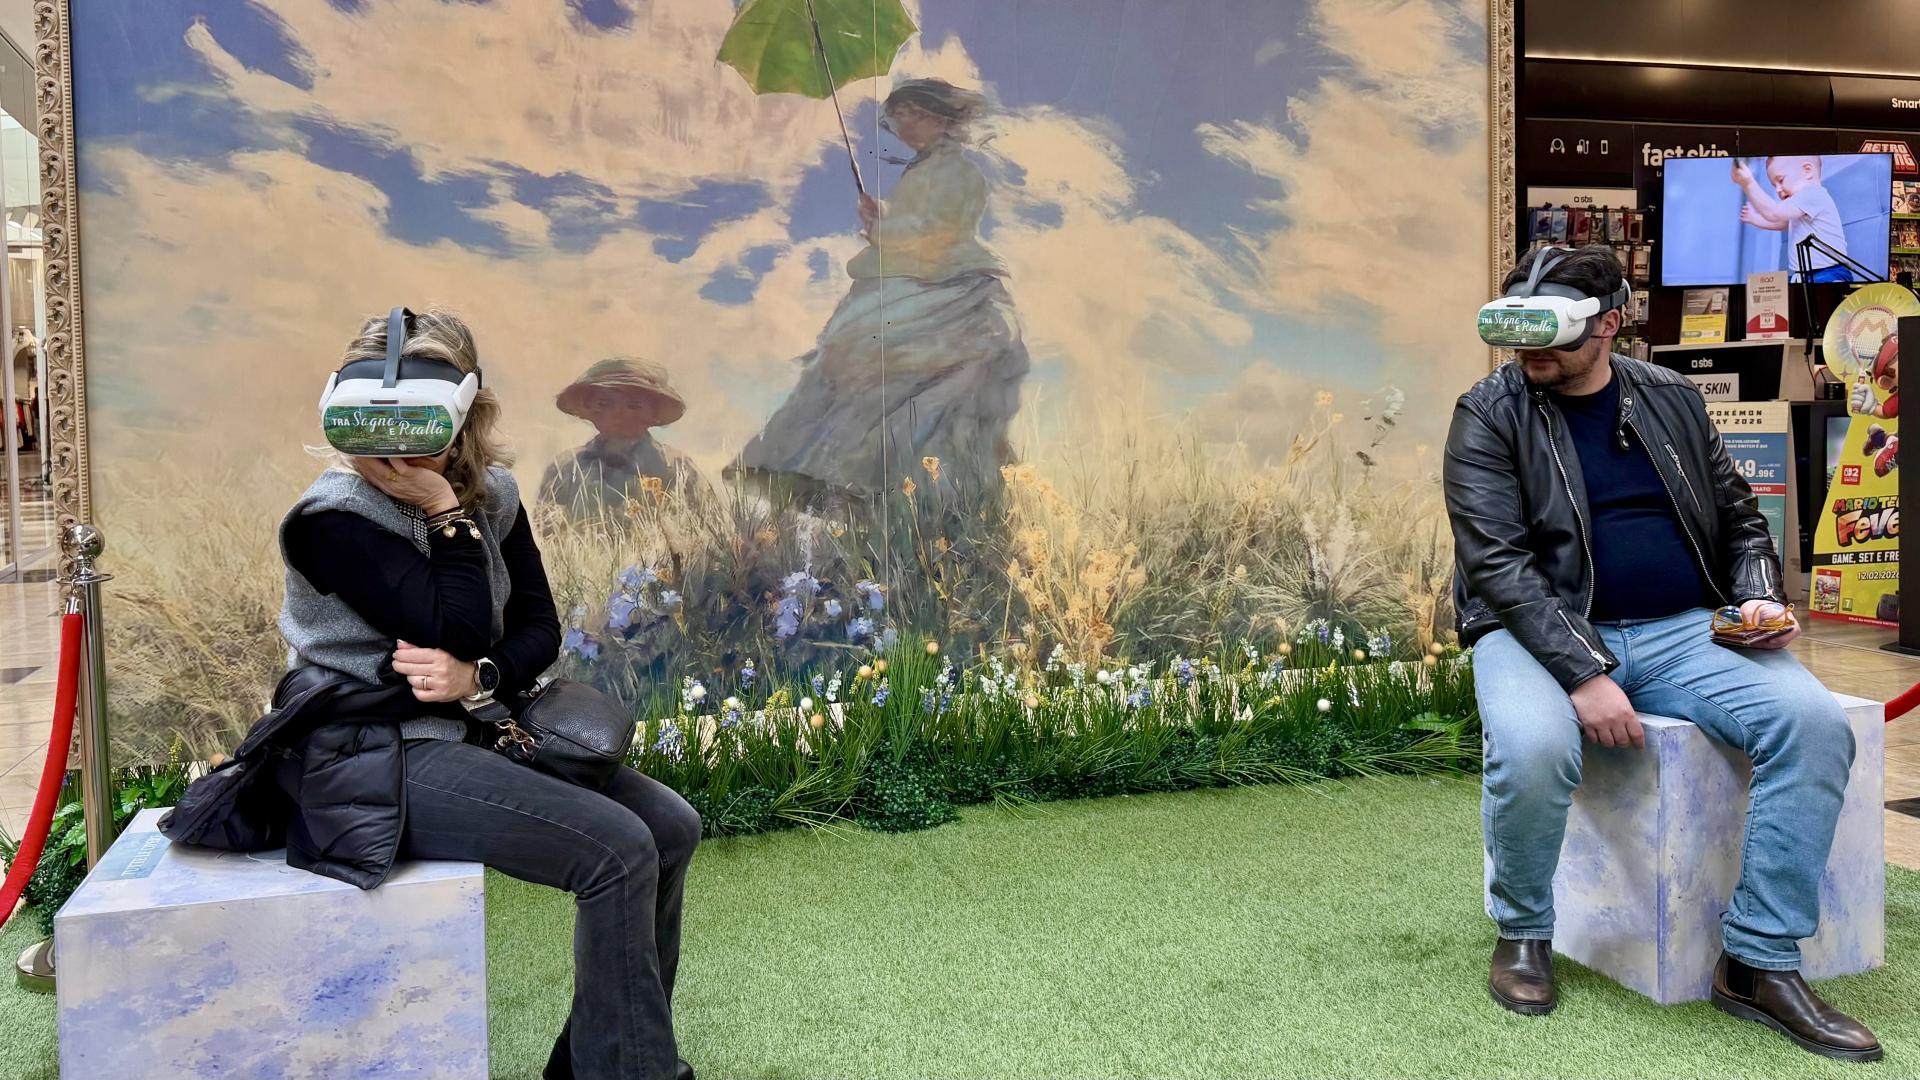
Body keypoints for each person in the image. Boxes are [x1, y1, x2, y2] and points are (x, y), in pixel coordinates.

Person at [197, 310, 701, 1080]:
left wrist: (482, 677)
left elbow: (538, 626)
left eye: (417, 418)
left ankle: (598, 1061)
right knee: (616, 849)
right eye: (373, 418)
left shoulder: (496, 493)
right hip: (371, 749)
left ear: (463, 412)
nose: (394, 444)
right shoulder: (327, 519)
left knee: (669, 826)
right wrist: (442, 509)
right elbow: (454, 625)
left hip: (474, 724)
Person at [1446, 246, 1882, 1061]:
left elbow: (1739, 515)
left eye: (1553, 335)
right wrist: (1583, 671)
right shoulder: (1488, 413)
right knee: (1535, 746)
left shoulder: (1671, 398)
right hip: (1533, 629)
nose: (1531, 354)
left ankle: (1757, 961)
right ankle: (1524, 931)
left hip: (1681, 627)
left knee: (1814, 726)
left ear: (1610, 325)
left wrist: (1757, 593)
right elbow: (1497, 565)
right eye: (1518, 334)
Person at [728, 78, 1030, 506]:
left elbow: (937, 232)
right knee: (856, 372)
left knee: (930, 392)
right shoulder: (924, 170)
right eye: (900, 115)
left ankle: (914, 493)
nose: (905, 124)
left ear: (943, 118)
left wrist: (883, 230)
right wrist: (881, 217)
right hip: (909, 279)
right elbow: (915, 221)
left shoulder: (960, 172)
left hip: (948, 286)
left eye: (915, 114)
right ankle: (841, 480)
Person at [540, 356, 716, 528]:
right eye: (604, 404)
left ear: (654, 413)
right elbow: (544, 527)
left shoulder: (676, 466)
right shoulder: (566, 467)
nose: (619, 413)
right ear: (588, 409)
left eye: (634, 406)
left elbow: (709, 524)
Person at [1733, 155, 1852, 283]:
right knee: (1767, 286)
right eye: (1774, 185)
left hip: (1829, 272)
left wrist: (1748, 183)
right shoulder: (1802, 205)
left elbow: (1775, 213)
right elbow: (1781, 223)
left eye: (1781, 180)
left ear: (1807, 170)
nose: (1778, 190)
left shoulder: (1812, 194)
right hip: (1805, 275)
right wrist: (1755, 219)